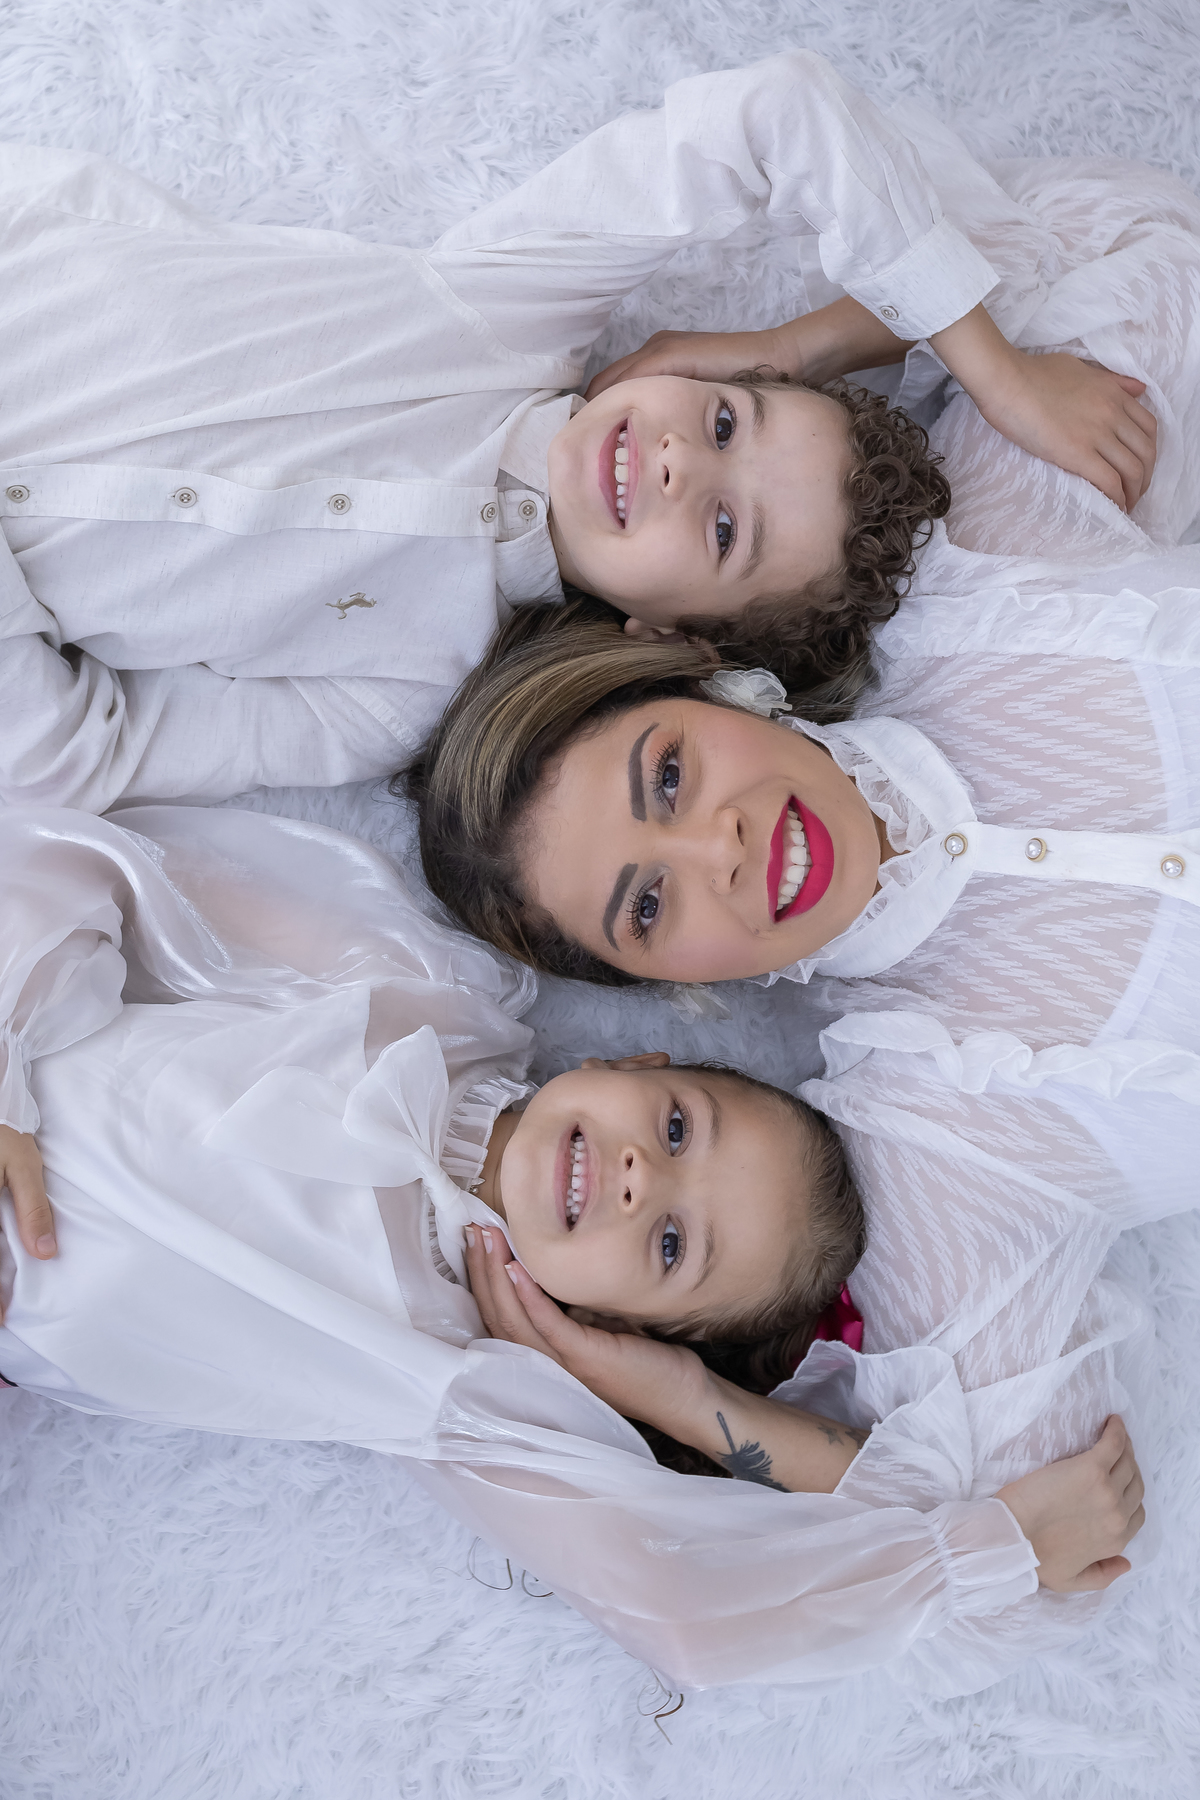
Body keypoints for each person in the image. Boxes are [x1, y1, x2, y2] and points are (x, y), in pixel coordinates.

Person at [0, 802, 1143, 1695]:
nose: (644, 1179)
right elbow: (101, 871)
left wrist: (690, 1403)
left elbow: (693, 1611)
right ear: (641, 1066)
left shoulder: (486, 1390)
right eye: (682, 1130)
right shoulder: (422, 999)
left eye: (672, 1246)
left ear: (623, 1329)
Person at [0, 50, 1159, 808]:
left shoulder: (397, 694)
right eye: (718, 420)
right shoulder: (499, 315)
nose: (672, 461)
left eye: (718, 527)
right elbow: (775, 110)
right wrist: (963, 368)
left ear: (671, 635)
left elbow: (69, 758)